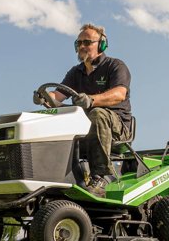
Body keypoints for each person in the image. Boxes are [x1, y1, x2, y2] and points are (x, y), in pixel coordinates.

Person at [36, 23, 133, 196]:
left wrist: (92, 100)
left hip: (117, 129)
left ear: (102, 44)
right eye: (78, 43)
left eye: (87, 42)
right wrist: (44, 97)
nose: (82, 46)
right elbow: (57, 97)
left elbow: (119, 94)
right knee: (51, 118)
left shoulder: (115, 66)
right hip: (85, 128)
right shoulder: (75, 73)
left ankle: (100, 176)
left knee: (97, 114)